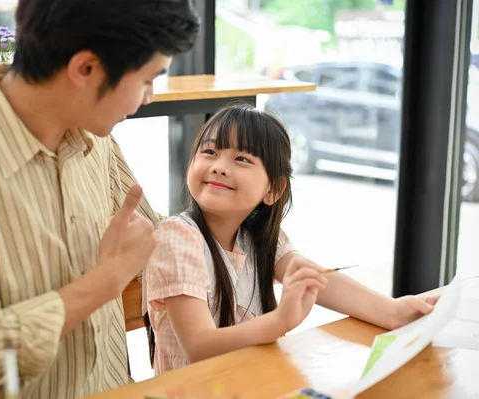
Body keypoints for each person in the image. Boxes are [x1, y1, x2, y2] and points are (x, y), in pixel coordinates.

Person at [0, 1, 199, 398]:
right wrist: (104, 282)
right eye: (147, 79)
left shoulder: (94, 136)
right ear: (85, 68)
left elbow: (145, 240)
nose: (148, 97)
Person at [143, 103, 440, 375]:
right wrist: (280, 322)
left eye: (241, 158)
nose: (220, 165)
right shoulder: (178, 236)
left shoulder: (258, 238)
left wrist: (393, 311)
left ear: (273, 189)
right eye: (209, 152)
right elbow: (199, 348)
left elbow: (317, 279)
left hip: (251, 382)